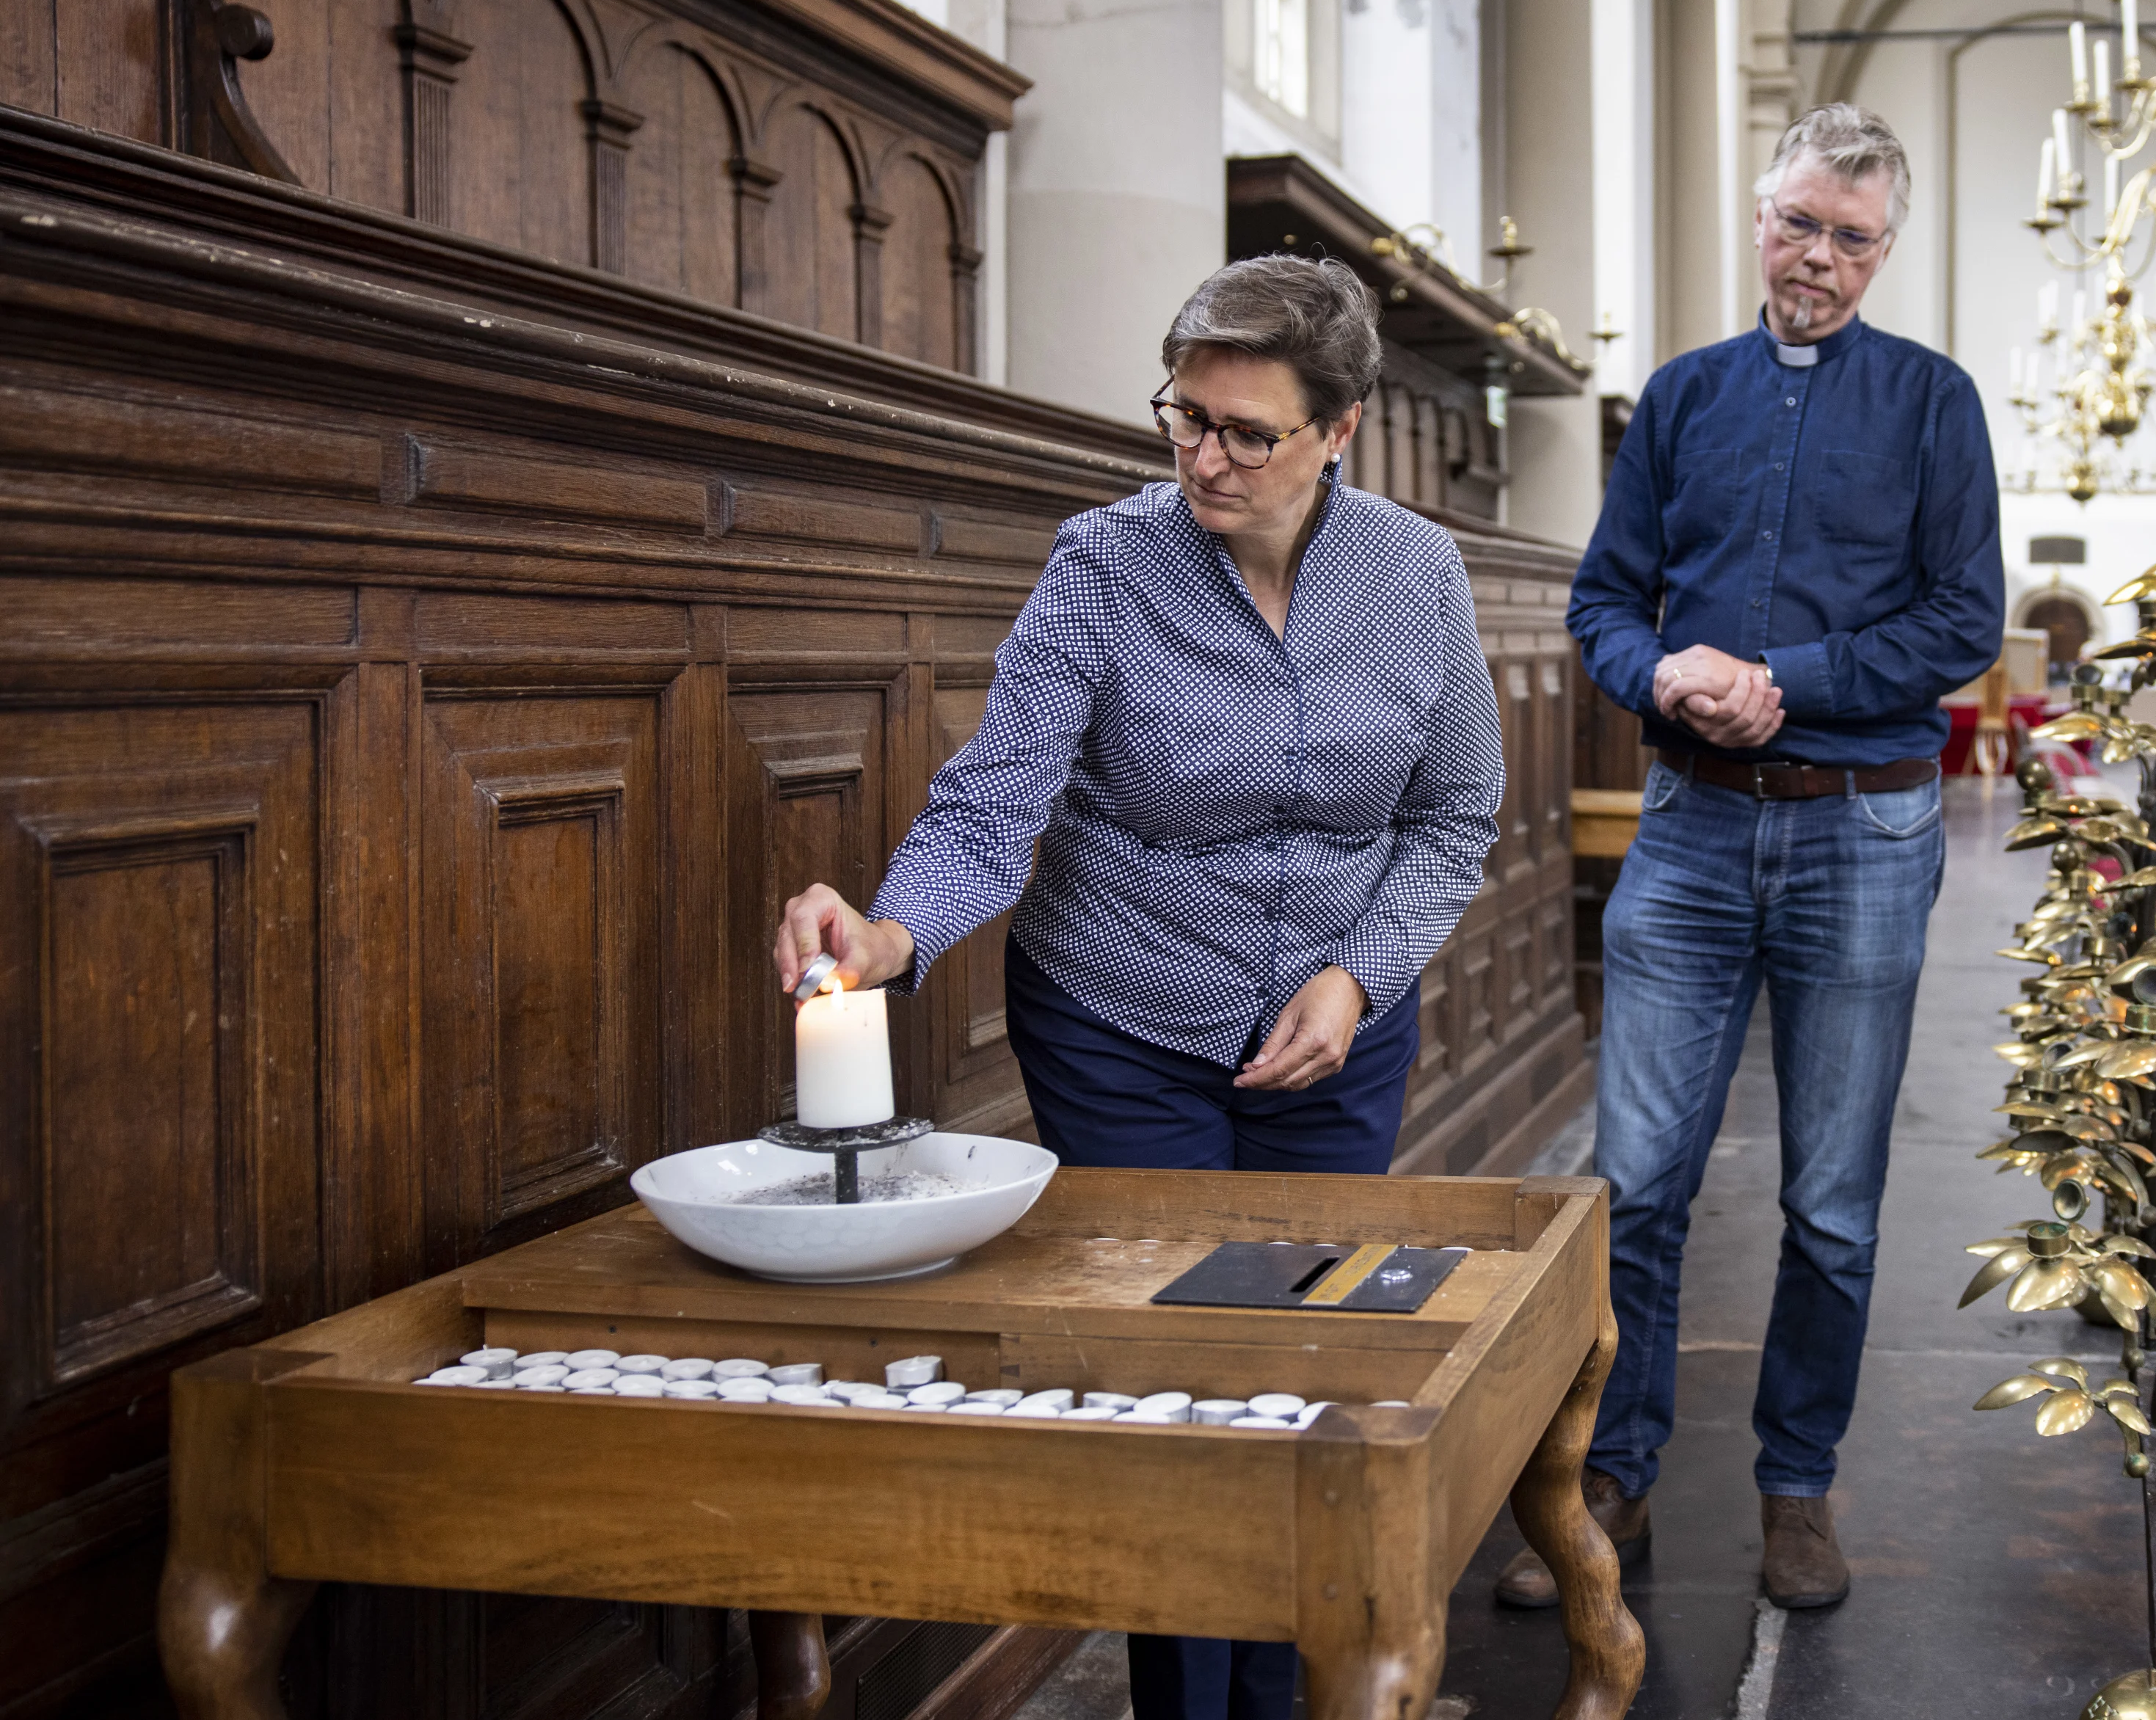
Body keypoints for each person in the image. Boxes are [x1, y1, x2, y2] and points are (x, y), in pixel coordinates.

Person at [773, 255, 1504, 1720]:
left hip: (1334, 1031)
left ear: (1339, 429)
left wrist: (1358, 978)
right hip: (1125, 1015)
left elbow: (1456, 812)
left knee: (1307, 1359)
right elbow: (996, 803)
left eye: (1245, 431)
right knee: (1177, 1385)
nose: (1202, 457)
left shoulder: (1418, 573)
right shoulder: (1105, 560)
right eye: (1183, 417)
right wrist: (892, 935)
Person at [1512, 103, 2002, 1613]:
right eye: (1800, 224)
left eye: (1854, 239)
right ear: (1760, 213)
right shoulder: (1679, 399)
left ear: (1885, 249)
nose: (1821, 260)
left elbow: (1963, 621)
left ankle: (1799, 1484)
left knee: (1833, 1201)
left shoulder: (1934, 403)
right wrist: (1665, 677)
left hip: (1862, 827)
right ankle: (1616, 1467)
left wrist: (1784, 674)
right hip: (1694, 826)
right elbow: (1604, 600)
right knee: (1635, 1180)